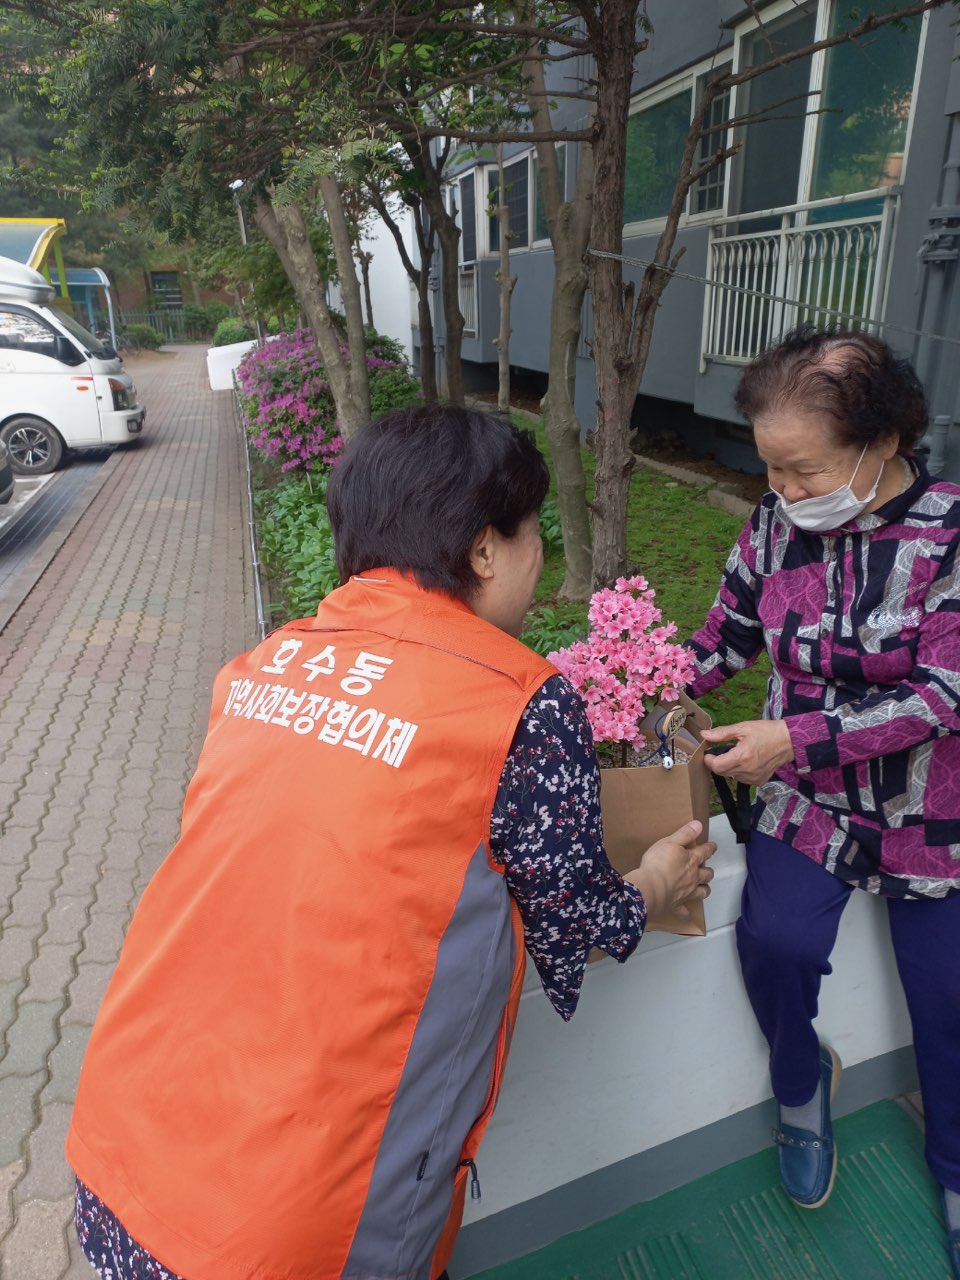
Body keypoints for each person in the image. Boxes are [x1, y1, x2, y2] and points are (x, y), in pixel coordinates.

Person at [66, 404, 716, 1280]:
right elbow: (572, 920)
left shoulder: (268, 663)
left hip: (123, 1143)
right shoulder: (516, 699)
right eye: (535, 540)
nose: (537, 562)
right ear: (485, 549)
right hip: (286, 1217)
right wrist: (657, 882)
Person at [685, 328, 960, 1277]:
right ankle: (801, 1091)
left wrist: (789, 739)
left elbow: (942, 696)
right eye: (771, 471)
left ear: (882, 444)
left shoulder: (951, 533)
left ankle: (957, 1172)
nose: (785, 493)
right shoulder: (774, 526)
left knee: (952, 1001)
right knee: (776, 944)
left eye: (802, 470)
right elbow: (720, 638)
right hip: (810, 802)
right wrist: (628, 678)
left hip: (935, 811)